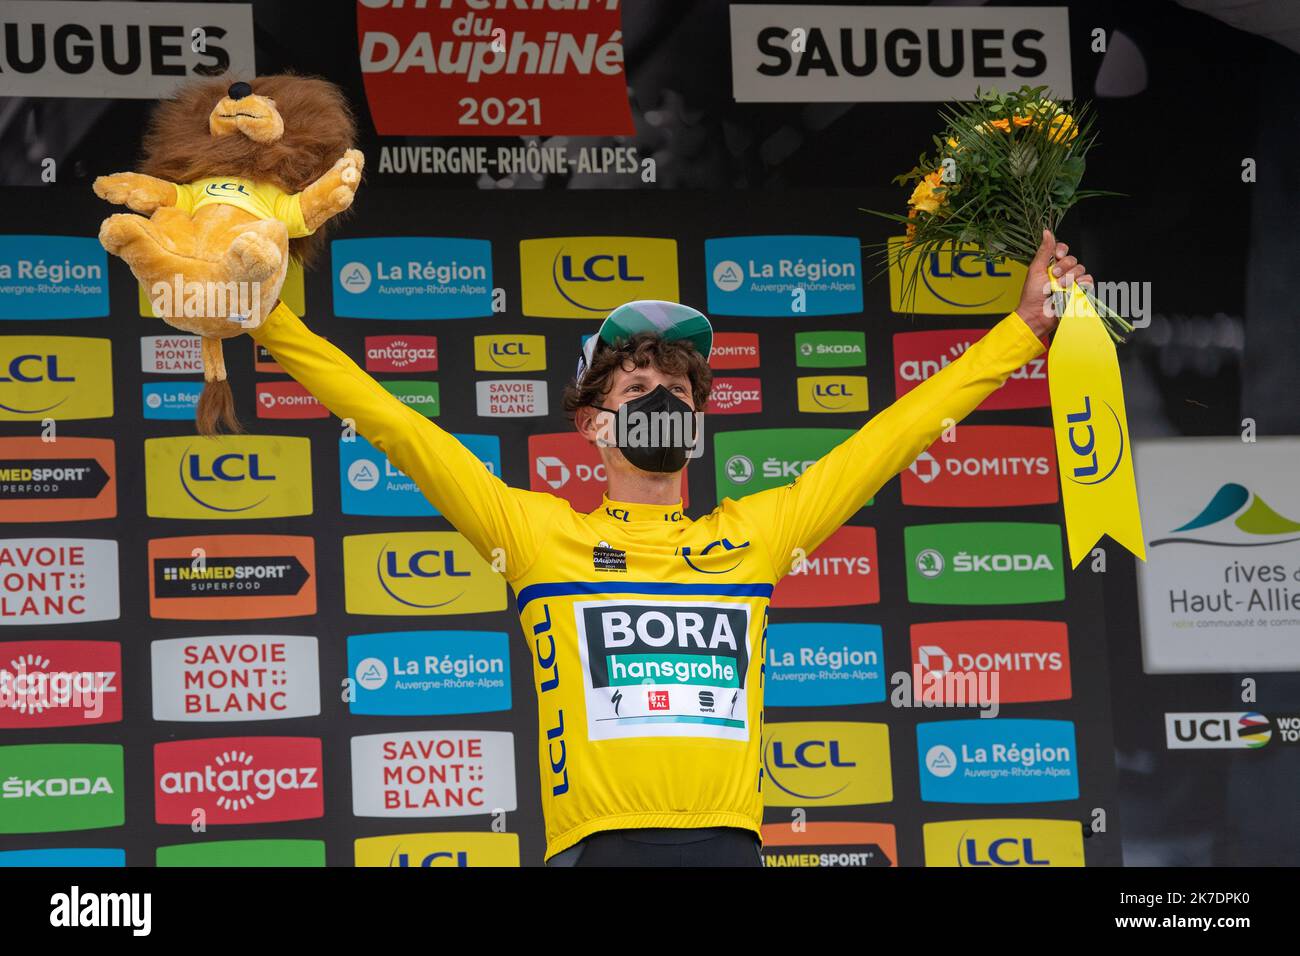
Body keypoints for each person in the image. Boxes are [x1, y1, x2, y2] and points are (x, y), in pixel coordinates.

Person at [250, 229, 1090, 867]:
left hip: (729, 847)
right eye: (636, 389)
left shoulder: (752, 537)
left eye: (678, 389)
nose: (661, 400)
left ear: (699, 419)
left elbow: (892, 437)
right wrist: (270, 318)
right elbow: (398, 428)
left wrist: (1023, 330)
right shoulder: (539, 535)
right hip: (596, 848)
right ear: (589, 425)